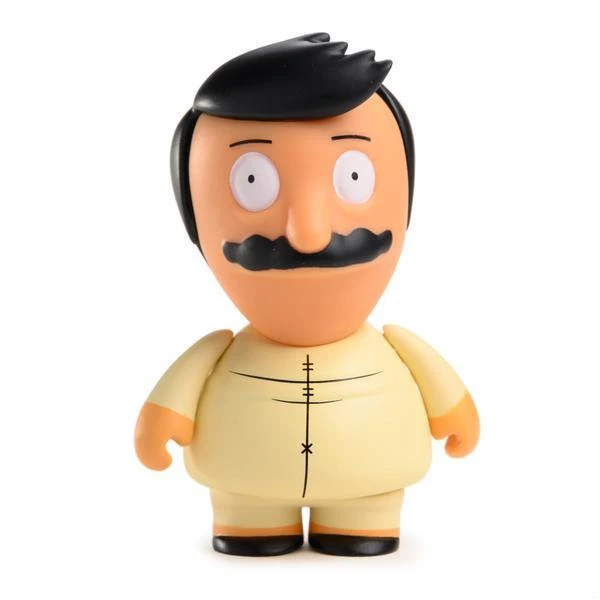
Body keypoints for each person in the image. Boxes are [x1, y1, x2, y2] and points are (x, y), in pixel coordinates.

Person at [135, 33, 480, 557]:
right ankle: (251, 526)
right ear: (194, 218)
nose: (309, 234)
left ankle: (362, 523)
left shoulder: (396, 346)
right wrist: (163, 418)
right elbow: (174, 398)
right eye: (253, 181)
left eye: (354, 176)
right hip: (243, 491)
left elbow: (445, 396)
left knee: (366, 514)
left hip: (370, 485)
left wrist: (454, 412)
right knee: (247, 517)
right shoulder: (217, 352)